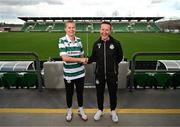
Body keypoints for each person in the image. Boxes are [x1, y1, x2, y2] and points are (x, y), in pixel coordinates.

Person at [88, 21, 123, 122]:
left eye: (107, 30)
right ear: (100, 30)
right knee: (99, 93)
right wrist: (84, 60)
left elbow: (120, 58)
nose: (104, 32)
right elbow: (93, 58)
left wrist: (113, 67)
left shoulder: (116, 43)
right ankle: (100, 110)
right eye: (102, 29)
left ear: (110, 31)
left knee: (113, 93)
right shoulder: (96, 44)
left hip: (112, 74)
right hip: (99, 74)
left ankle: (113, 111)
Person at [58, 20, 88, 122]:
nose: (71, 29)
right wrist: (80, 60)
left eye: (73, 27)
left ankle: (80, 109)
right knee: (69, 93)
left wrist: (84, 59)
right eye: (69, 27)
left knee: (80, 93)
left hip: (80, 73)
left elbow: (82, 54)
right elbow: (65, 58)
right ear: (65, 29)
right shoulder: (62, 40)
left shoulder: (79, 40)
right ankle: (69, 110)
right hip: (69, 74)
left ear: (75, 28)